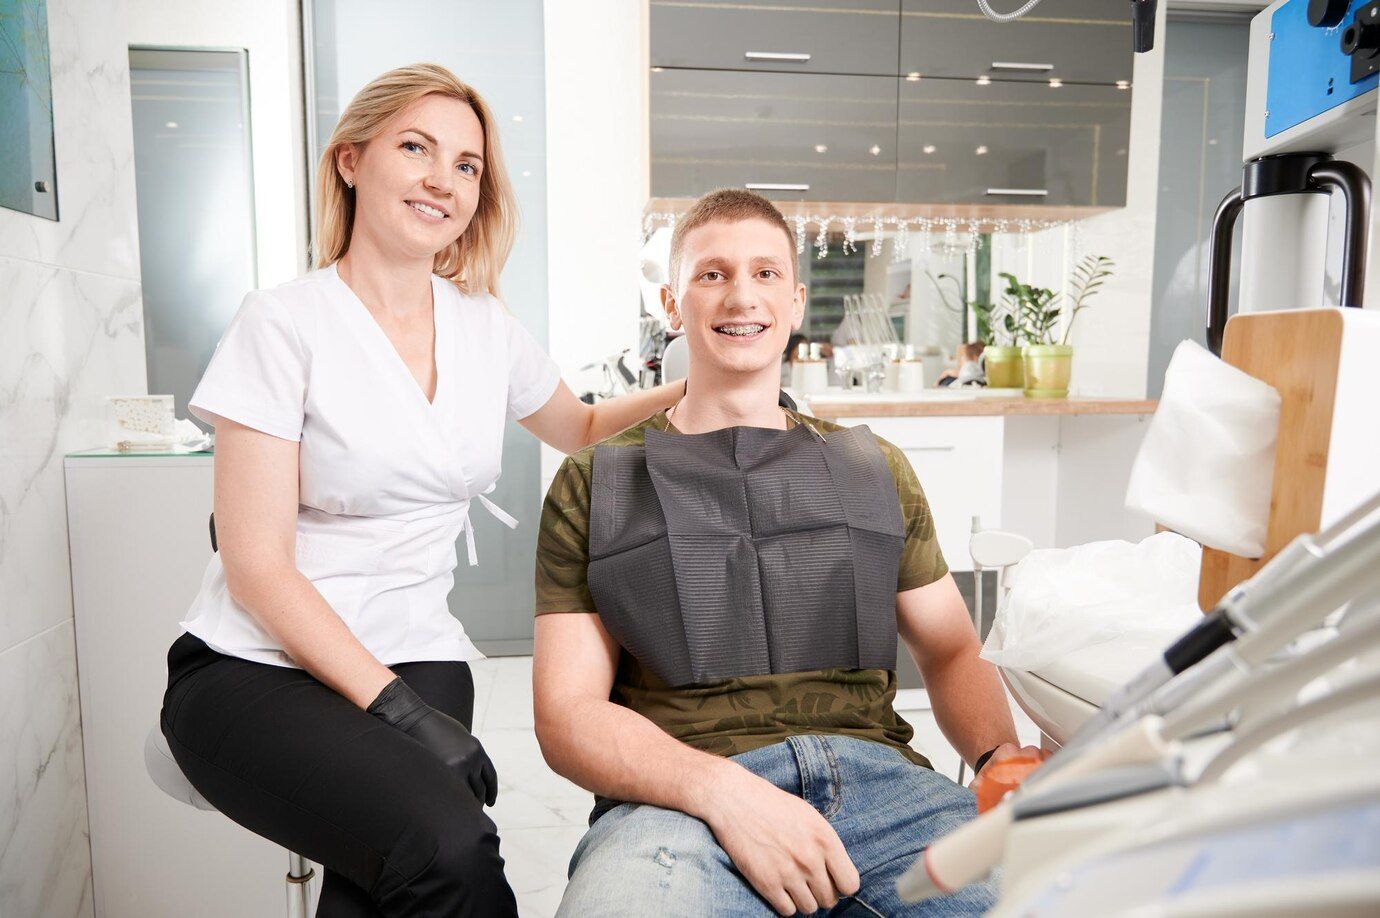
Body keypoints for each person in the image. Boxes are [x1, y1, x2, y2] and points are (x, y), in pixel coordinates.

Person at [159, 63, 683, 918]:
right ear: (351, 162)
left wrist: (703, 385)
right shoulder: (283, 323)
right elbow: (255, 566)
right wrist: (399, 712)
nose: (445, 178)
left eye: (468, 165)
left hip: (416, 645)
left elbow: (580, 428)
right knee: (448, 851)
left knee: (390, 883)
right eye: (416, 147)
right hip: (254, 665)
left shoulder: (486, 329)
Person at [532, 189, 1044, 917]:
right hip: (680, 806)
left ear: (797, 302)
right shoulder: (597, 483)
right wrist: (722, 793)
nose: (742, 295)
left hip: (887, 795)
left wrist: (999, 759)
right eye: (712, 274)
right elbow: (567, 713)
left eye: (766, 273)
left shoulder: (876, 469)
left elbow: (953, 650)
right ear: (671, 305)